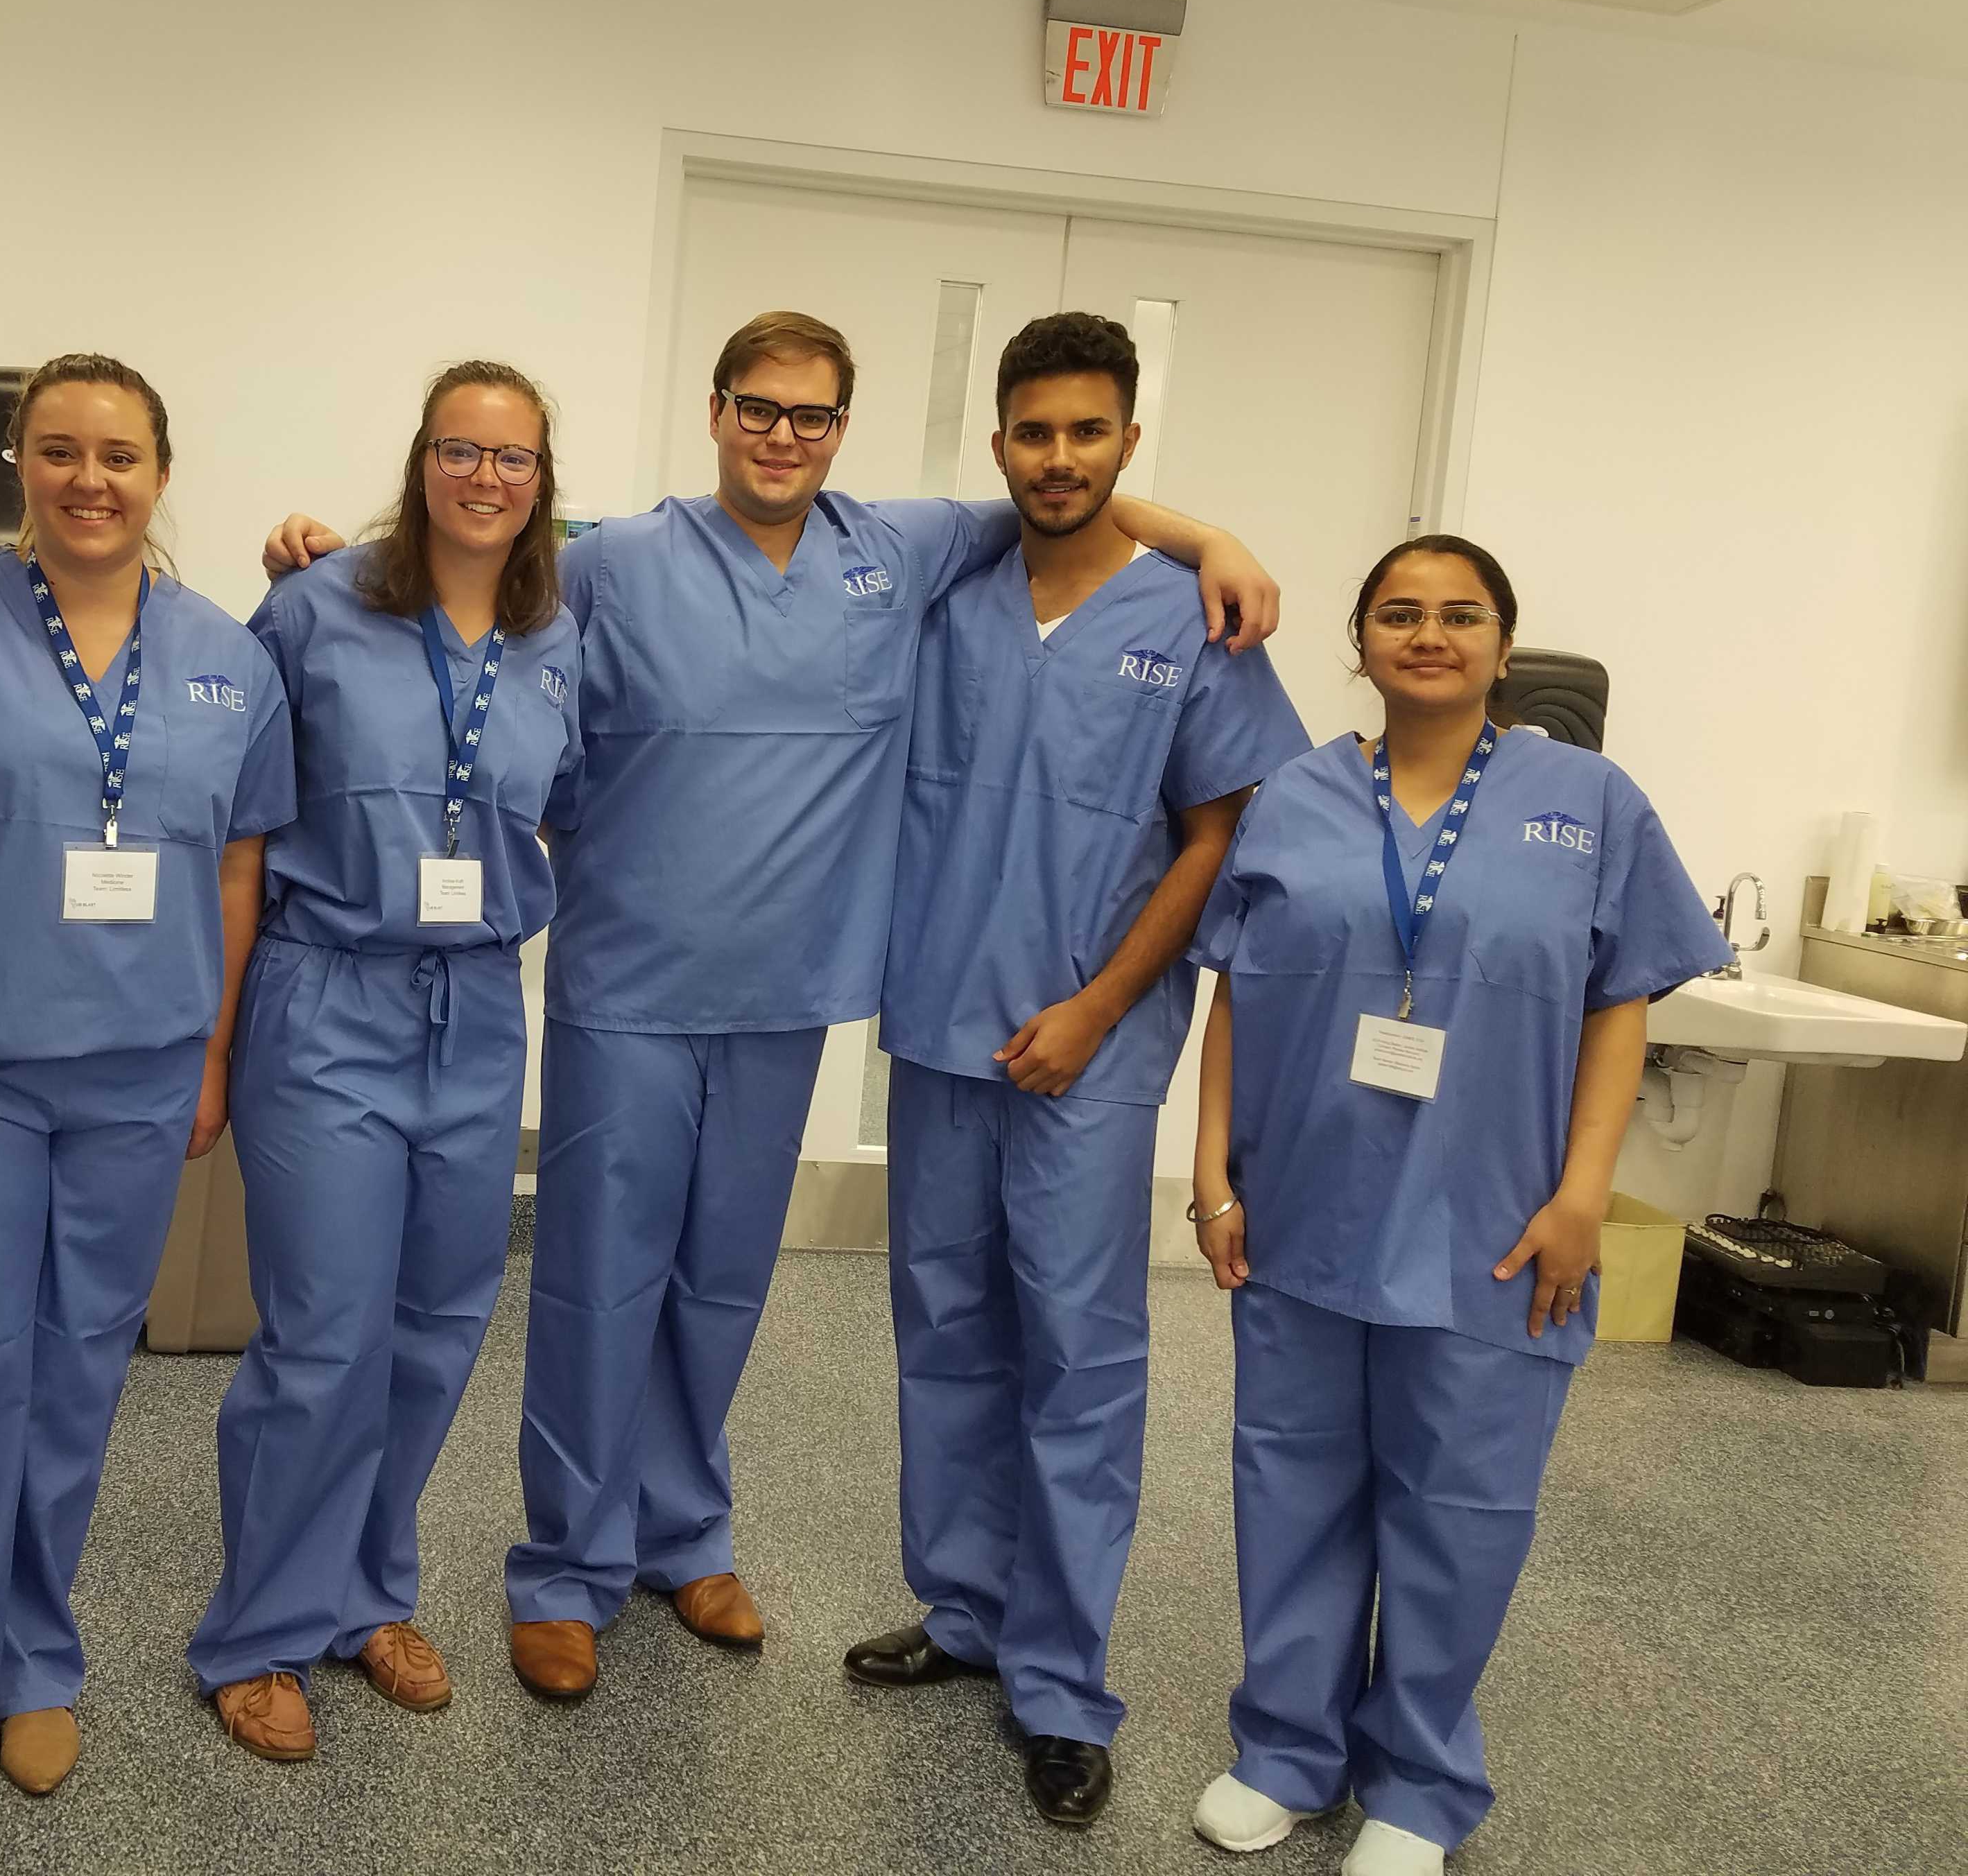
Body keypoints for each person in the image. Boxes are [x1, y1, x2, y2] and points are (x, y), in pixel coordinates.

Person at [261, 309, 1281, 1702]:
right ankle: (566, 1567)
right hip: (631, 983)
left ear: (843, 429)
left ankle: (682, 1535)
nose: (782, 436)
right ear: (717, 411)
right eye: (758, 407)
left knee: (722, 1284)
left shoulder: (899, 548)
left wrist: (1213, 539)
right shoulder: (618, 561)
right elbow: (471, 565)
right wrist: (330, 558)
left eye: (811, 415)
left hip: (788, 992)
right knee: (598, 1282)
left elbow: (1066, 500)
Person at [1180, 536, 1726, 1875]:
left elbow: (1622, 1000)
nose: (1430, 634)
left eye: (1461, 614)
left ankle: (1418, 1786)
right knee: (1293, 1484)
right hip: (1306, 1206)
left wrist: (1585, 1194)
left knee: (1460, 1504)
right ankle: (1287, 1751)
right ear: (1361, 641)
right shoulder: (1296, 795)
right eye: (1401, 613)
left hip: (1492, 1220)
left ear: (1503, 642)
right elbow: (1238, 988)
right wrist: (1210, 1173)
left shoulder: (1589, 803)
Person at [0, 353, 293, 1824]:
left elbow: (237, 867)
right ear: (21, 462)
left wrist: (209, 1051)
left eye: (120, 455)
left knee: (76, 1380)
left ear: (162, 474)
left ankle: (31, 1660)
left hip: (138, 1074)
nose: (92, 479)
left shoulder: (229, 658)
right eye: (62, 450)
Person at [847, 313, 1311, 1826]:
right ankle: (967, 1611)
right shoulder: (951, 590)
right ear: (997, 443)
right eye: (1035, 432)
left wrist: (1101, 1009)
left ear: (1129, 441)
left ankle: (1058, 1682)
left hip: (1087, 1052)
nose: (1060, 458)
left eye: (1088, 432)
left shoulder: (1192, 617)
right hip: (942, 1025)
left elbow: (1218, 834)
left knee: (1077, 1354)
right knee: (944, 1326)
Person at [187, 361, 585, 1762]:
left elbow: (563, 808)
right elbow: (234, 815)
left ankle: (367, 1595)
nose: (486, 477)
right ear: (422, 462)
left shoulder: (556, 638)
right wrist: (214, 1036)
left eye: (514, 458)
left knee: (436, 1325)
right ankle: (258, 1633)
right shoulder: (316, 606)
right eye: (460, 450)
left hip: (474, 1006)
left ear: (542, 484)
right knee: (323, 1334)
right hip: (328, 996)